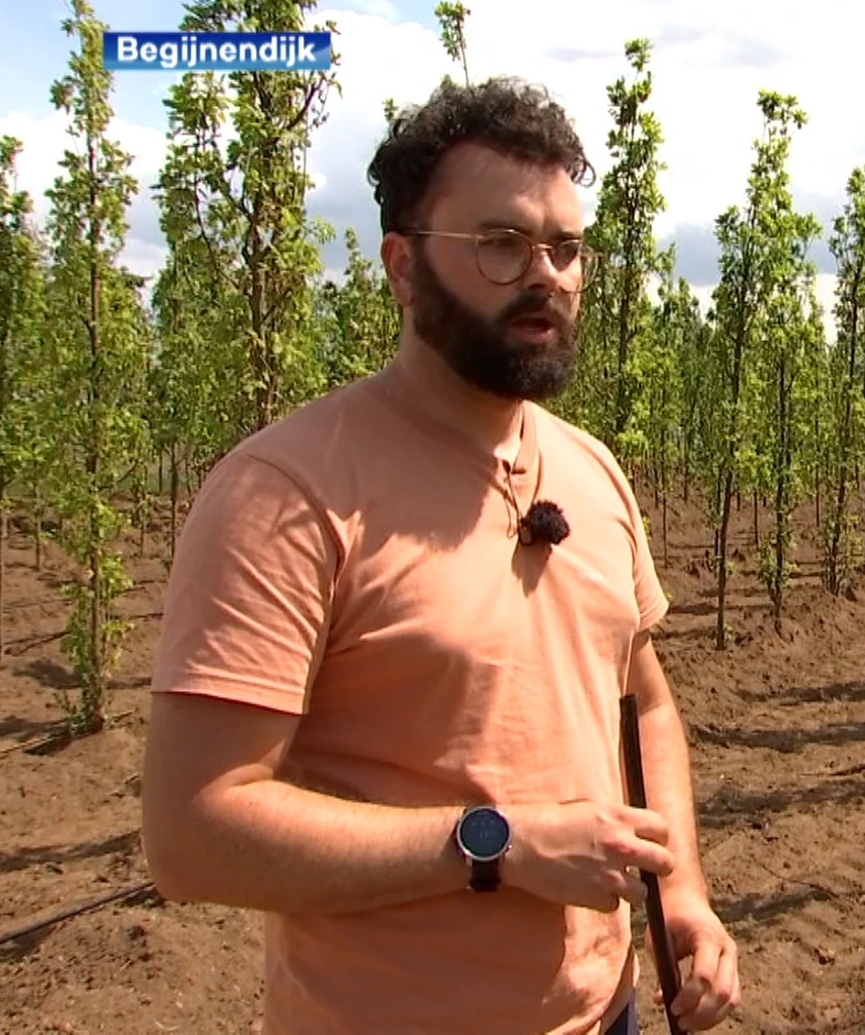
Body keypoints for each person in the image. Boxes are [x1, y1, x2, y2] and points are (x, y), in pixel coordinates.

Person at [139, 74, 740, 1035]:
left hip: (606, 1012)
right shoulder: (287, 494)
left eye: (566, 247)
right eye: (499, 244)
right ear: (403, 266)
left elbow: (645, 701)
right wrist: (492, 843)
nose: (545, 273)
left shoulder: (590, 472)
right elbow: (195, 833)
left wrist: (681, 898)